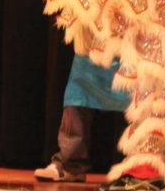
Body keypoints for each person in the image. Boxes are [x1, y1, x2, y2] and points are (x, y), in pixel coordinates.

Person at [35, 54, 131, 183]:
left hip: (134, 48)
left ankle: (143, 164)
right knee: (77, 93)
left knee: (144, 99)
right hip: (96, 45)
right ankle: (70, 165)